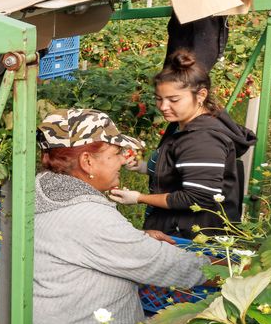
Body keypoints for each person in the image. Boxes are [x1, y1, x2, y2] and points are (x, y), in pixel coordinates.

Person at [34, 108, 208, 324]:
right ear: (88, 161)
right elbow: (164, 264)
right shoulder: (88, 216)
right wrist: (233, 268)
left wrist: (135, 240)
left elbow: (81, 247)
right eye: (115, 152)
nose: (123, 160)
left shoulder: (42, 190)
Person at [109, 51, 256, 238]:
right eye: (159, 98)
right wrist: (145, 168)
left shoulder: (203, 139)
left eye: (174, 99)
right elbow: (185, 169)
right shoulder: (183, 126)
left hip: (194, 236)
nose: (163, 107)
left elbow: (198, 197)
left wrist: (139, 198)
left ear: (201, 95)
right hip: (180, 229)